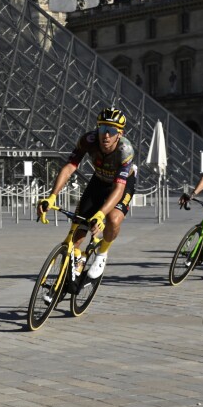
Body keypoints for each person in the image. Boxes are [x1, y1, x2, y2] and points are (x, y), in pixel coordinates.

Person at [37, 108, 137, 280]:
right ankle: (73, 267)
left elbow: (118, 189)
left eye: (111, 131)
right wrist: (52, 196)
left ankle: (102, 254)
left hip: (122, 184)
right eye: (102, 129)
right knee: (78, 231)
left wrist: (100, 214)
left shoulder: (125, 151)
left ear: (119, 134)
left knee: (112, 219)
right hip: (98, 181)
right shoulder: (88, 140)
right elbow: (69, 168)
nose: (106, 135)